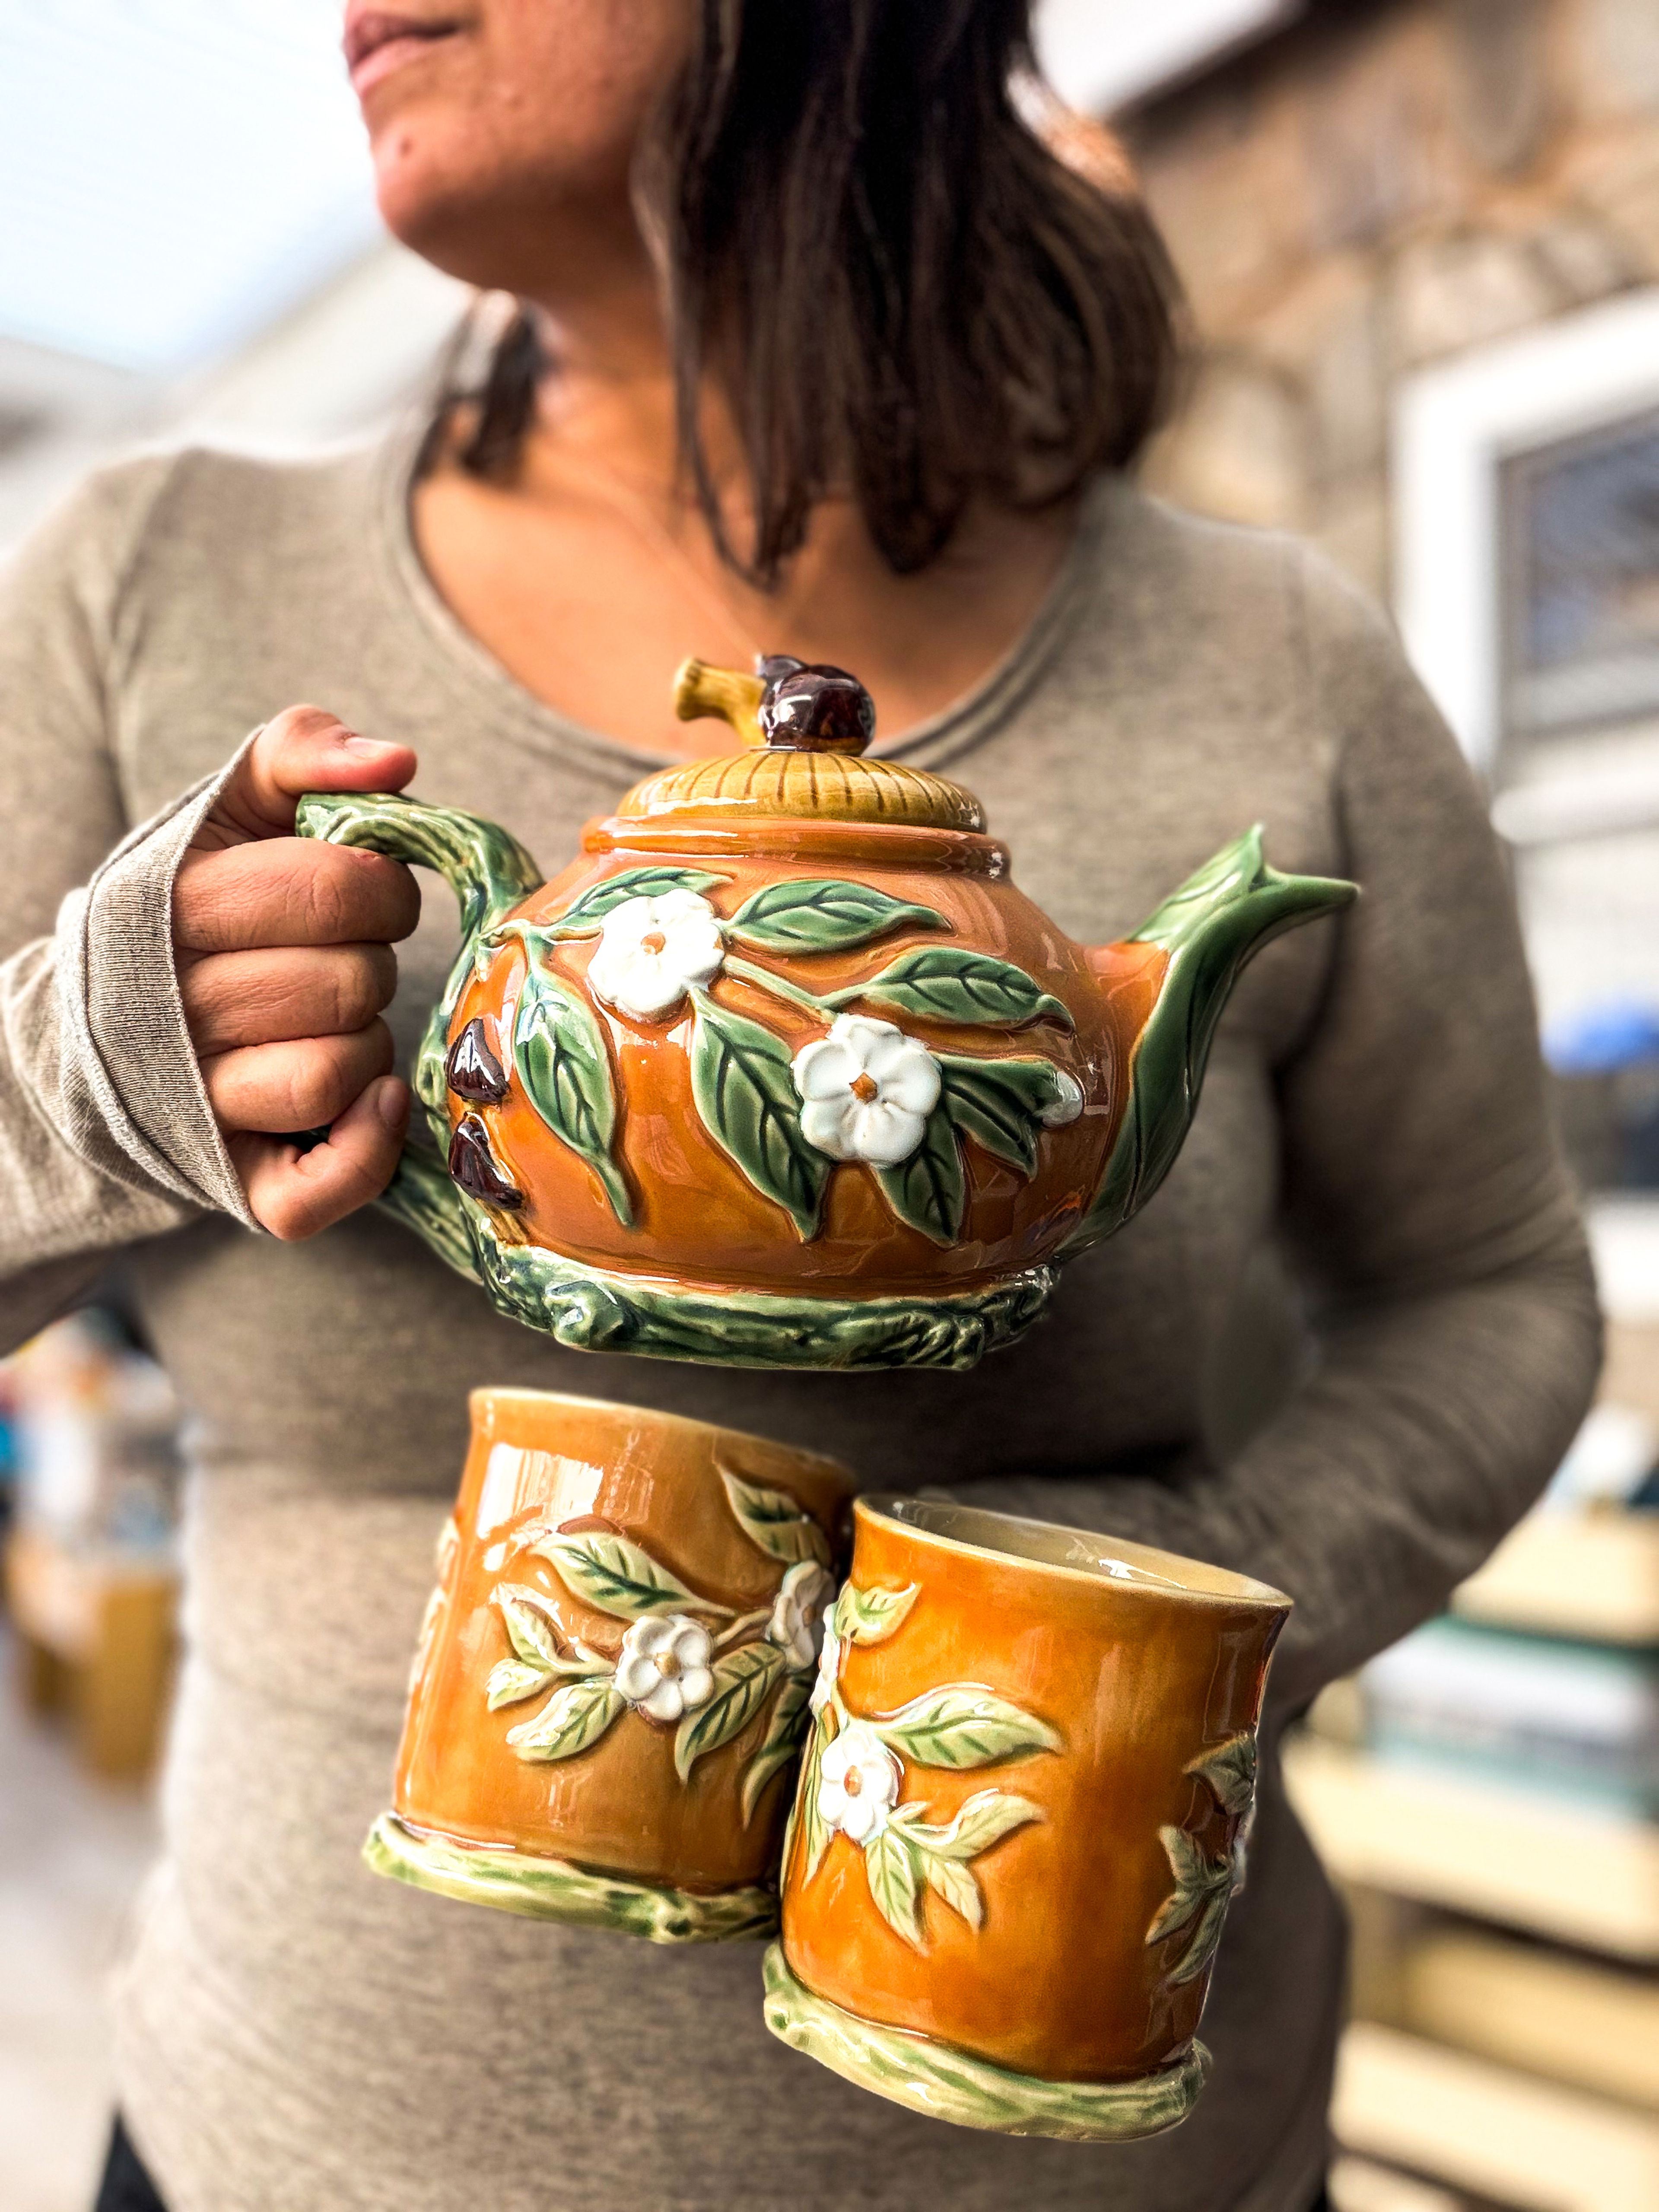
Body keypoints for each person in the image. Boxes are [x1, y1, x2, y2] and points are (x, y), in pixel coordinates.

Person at [0, 4, 1599, 2210]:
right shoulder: (144, 582)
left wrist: (1216, 1597)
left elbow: (1494, 1285)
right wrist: (99, 1067)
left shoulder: (1273, 662)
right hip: (302, 2147)